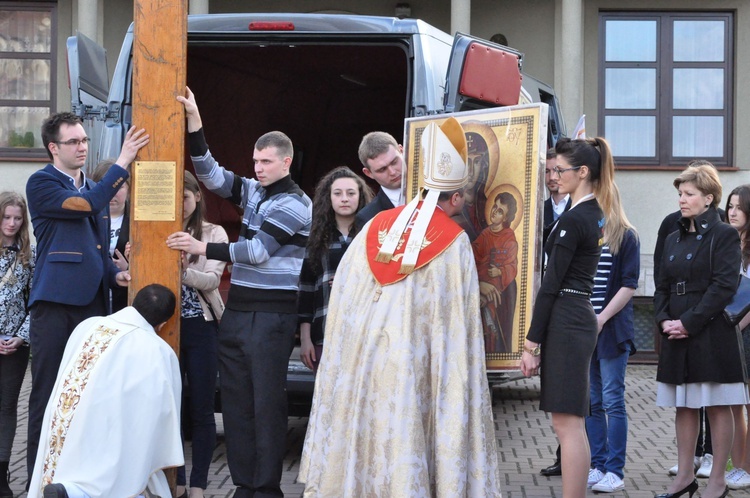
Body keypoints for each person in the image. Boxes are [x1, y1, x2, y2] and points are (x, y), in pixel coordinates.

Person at [299, 117, 502, 496]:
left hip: (365, 361)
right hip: (417, 364)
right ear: (455, 198)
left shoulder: (376, 225)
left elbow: (342, 296)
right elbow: (460, 323)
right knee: (409, 437)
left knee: (372, 438)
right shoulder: (455, 241)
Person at [170, 87, 312, 498]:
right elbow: (210, 174)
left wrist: (202, 248)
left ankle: (266, 489)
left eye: (266, 161)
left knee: (265, 404)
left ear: (285, 161)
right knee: (234, 405)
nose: (259, 167)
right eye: (255, 161)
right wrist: (194, 122)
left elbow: (257, 252)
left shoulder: (294, 203)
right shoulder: (254, 191)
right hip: (238, 312)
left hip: (272, 315)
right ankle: (243, 485)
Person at [25, 112, 149, 481]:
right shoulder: (42, 183)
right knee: (47, 396)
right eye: (73, 142)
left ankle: (76, 478)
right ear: (53, 148)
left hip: (95, 306)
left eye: (84, 141)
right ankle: (38, 479)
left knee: (88, 398)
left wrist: (117, 275)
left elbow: (96, 250)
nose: (82, 147)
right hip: (55, 305)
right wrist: (123, 160)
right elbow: (88, 205)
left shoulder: (93, 186)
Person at [520, 137, 615, 498]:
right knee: (570, 422)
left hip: (567, 318)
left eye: (560, 170)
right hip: (576, 317)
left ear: (583, 172)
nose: (554, 176)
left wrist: (531, 343)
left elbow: (551, 286)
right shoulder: (593, 214)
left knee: (567, 424)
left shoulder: (575, 219)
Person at [28, 284, 182, 498]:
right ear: (163, 323)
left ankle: (67, 489)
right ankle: (74, 494)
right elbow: (161, 410)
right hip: (107, 429)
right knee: (126, 470)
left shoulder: (88, 326)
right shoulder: (156, 349)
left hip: (66, 423)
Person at [654, 162, 747, 498]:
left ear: (708, 198)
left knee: (718, 405)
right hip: (675, 329)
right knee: (685, 405)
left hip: (709, 331)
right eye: (680, 193)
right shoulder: (673, 230)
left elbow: (725, 286)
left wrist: (689, 322)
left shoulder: (723, 233)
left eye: (689, 194)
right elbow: (661, 281)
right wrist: (664, 319)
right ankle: (684, 478)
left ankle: (718, 482)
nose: (682, 199)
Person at [167, 171, 228, 498]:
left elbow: (211, 281)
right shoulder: (160, 228)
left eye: (186, 199)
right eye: (175, 201)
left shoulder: (213, 232)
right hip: (166, 330)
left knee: (202, 409)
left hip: (201, 327)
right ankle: (175, 482)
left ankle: (200, 485)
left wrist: (182, 270)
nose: (181, 206)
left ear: (198, 196)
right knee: (171, 408)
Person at [585, 184, 640, 493]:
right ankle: (597, 463)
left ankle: (615, 471)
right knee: (592, 402)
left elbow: (629, 285)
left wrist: (602, 318)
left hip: (611, 332)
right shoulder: (590, 237)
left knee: (612, 400)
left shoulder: (627, 237)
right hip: (586, 331)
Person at [297, 166, 372, 372]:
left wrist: (349, 282)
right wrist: (305, 339)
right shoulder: (317, 237)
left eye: (351, 193)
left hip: (365, 332)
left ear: (360, 196)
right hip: (324, 329)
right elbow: (306, 289)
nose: (344, 199)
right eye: (337, 193)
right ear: (328, 198)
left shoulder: (372, 234)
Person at [540, 147, 572, 478]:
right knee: (555, 387)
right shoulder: (539, 210)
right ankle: (563, 454)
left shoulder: (581, 210)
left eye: (557, 171)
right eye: (547, 171)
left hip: (571, 303)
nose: (552, 178)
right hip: (546, 300)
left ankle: (574, 456)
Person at [0, 192, 34, 498]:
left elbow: (34, 302)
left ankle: (2, 471)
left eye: (17, 218)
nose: (11, 224)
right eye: (6, 217)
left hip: (14, 345)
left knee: (7, 407)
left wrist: (22, 336)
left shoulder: (28, 255)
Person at [724, 185, 750, 490]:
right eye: (730, 206)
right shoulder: (726, 242)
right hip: (729, 331)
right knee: (732, 404)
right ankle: (738, 466)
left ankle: (745, 467)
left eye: (739, 207)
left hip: (743, 332)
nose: (732, 212)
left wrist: (737, 326)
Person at [472, 191, 519, 353]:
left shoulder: (509, 237)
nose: (494, 212)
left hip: (503, 289)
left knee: (498, 327)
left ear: (505, 218)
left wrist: (499, 271)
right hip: (484, 283)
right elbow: (473, 258)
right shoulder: (485, 234)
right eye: (495, 207)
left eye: (500, 211)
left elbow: (512, 265)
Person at [89, 159, 130, 312]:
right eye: (106, 186)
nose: (112, 192)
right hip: (94, 299)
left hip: (126, 301)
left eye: (119, 186)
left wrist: (129, 268)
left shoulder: (138, 222)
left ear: (129, 189)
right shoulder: (87, 219)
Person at [354, 131, 405, 229]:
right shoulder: (367, 217)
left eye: (394, 162)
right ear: (368, 173)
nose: (392, 172)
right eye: (382, 169)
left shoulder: (435, 193)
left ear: (402, 151)